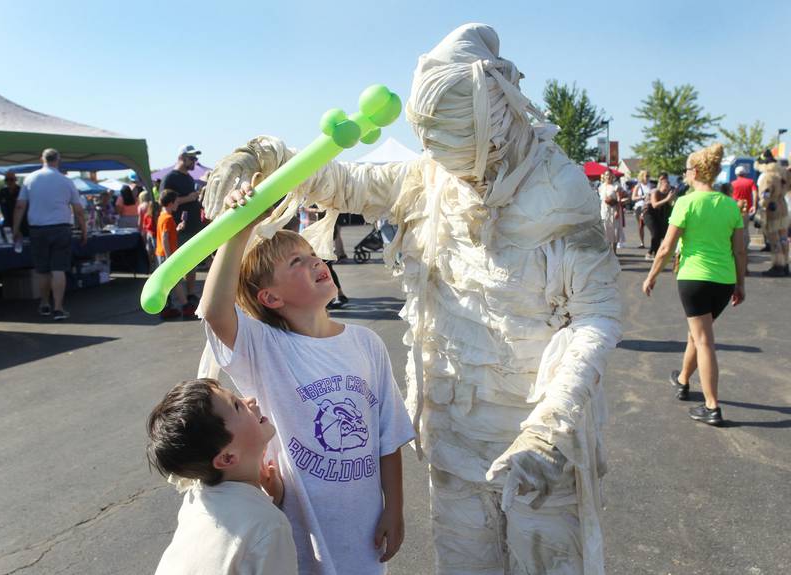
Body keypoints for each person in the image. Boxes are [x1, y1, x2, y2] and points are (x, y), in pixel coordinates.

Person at [203, 24, 621, 574]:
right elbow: (341, 181)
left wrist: (554, 425)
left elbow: (594, 316)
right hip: (452, 441)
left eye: (460, 145)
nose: (453, 165)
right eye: (438, 148)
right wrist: (267, 157)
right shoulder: (431, 178)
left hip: (537, 447)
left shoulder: (561, 195)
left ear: (496, 112)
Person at [198, 198, 416, 575]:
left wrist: (393, 507)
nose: (315, 261)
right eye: (295, 262)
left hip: (363, 531)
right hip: (300, 534)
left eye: (312, 254)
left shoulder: (366, 343)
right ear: (271, 297)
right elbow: (216, 311)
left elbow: (388, 436)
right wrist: (239, 230)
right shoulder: (265, 349)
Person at [147, 378, 298, 574]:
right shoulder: (270, 526)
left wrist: (271, 500)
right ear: (227, 457)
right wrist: (269, 509)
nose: (250, 401)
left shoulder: (196, 497)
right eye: (237, 405)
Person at [642, 143, 745, 426]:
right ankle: (683, 380)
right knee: (697, 334)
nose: (684, 175)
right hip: (723, 281)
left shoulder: (686, 202)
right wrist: (740, 284)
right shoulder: (729, 205)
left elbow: (666, 247)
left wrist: (650, 276)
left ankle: (712, 406)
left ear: (696, 171)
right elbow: (739, 251)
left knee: (703, 340)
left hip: (694, 279)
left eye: (687, 170)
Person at [12, 148, 86, 321]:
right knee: (58, 269)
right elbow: (78, 210)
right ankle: (58, 308)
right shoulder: (66, 181)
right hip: (61, 228)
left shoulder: (30, 179)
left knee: (42, 270)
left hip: (37, 229)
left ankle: (44, 303)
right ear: (58, 160)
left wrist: (15, 229)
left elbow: (20, 206)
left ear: (41, 159)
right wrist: (84, 230)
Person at [161, 145, 204, 301]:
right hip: (178, 229)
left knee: (191, 263)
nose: (195, 161)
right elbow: (164, 201)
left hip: (192, 227)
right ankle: (174, 300)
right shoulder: (170, 178)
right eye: (192, 158)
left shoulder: (188, 178)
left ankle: (190, 294)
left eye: (195, 158)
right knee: (176, 265)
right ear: (182, 158)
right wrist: (189, 198)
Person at [155, 190, 194, 319]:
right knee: (174, 281)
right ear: (171, 203)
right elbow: (165, 237)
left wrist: (176, 229)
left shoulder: (162, 216)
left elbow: (166, 235)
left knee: (167, 282)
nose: (178, 204)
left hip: (162, 253)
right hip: (166, 254)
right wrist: (169, 257)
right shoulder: (168, 218)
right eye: (177, 202)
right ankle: (185, 305)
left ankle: (167, 307)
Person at [755, 150, 790, 277]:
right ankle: (786, 264)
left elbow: (765, 194)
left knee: (774, 239)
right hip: (783, 207)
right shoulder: (782, 173)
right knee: (783, 239)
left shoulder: (768, 176)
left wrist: (762, 208)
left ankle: (778, 266)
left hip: (772, 209)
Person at [643, 172, 675, 260]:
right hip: (649, 212)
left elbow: (671, 204)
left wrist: (671, 200)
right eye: (665, 186)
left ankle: (654, 252)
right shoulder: (655, 192)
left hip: (660, 212)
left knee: (663, 233)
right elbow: (654, 205)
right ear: (660, 186)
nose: (667, 188)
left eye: (668, 186)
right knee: (655, 233)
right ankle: (653, 253)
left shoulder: (669, 193)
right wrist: (667, 199)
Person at [730, 165, 758, 250]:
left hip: (734, 209)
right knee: (745, 229)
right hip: (746, 210)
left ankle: (735, 246)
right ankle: (744, 247)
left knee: (734, 229)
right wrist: (754, 206)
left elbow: (730, 197)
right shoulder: (750, 182)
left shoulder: (732, 184)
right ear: (745, 174)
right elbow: (755, 193)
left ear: (736, 174)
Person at [598, 169, 622, 254]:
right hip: (604, 210)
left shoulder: (616, 186)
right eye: (606, 175)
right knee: (605, 229)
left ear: (613, 176)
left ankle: (614, 251)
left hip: (613, 210)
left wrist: (617, 211)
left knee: (614, 230)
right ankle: (606, 251)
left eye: (610, 175)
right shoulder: (601, 187)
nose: (608, 177)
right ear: (604, 176)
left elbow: (619, 200)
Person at [0, 170, 27, 238]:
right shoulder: (2, 191)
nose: (9, 182)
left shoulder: (21, 191)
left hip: (21, 224)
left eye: (11, 179)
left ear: (15, 180)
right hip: (7, 224)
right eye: (7, 179)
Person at [630, 169, 650, 248]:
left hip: (648, 206)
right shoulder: (638, 186)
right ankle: (642, 242)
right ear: (642, 177)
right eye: (646, 176)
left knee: (651, 224)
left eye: (649, 176)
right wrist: (642, 197)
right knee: (641, 225)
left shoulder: (650, 185)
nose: (648, 177)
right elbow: (633, 198)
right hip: (639, 206)